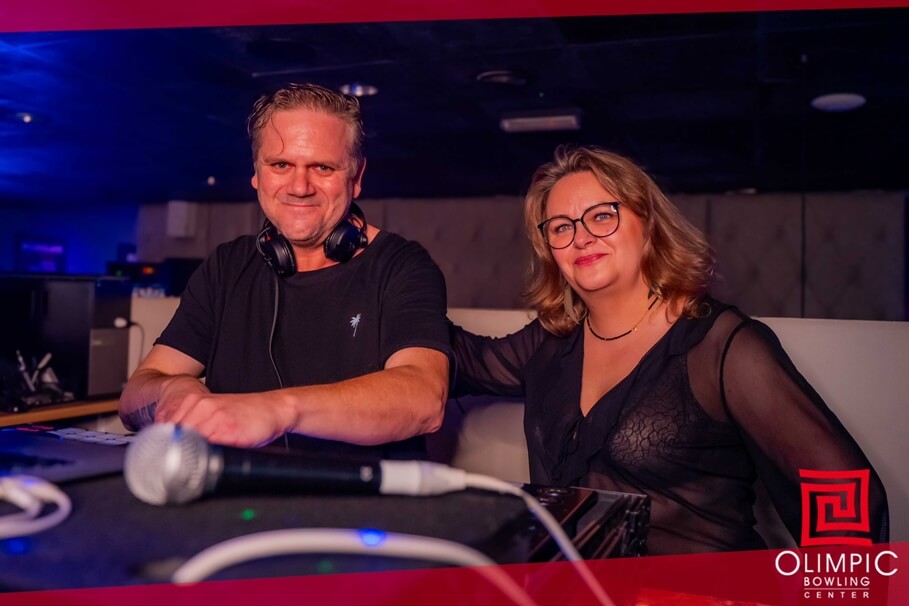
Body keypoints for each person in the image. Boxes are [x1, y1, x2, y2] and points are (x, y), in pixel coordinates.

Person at [451, 145, 888, 554]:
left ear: (648, 225)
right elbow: (456, 358)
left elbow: (845, 492)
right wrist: (407, 272)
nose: (580, 237)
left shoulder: (719, 345)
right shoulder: (551, 341)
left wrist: (829, 589)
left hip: (702, 591)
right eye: (561, 227)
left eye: (601, 216)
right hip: (579, 589)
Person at [119, 83, 451, 459]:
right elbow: (134, 396)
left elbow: (424, 400)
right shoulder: (226, 266)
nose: (299, 187)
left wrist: (276, 410)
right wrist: (172, 391)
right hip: (235, 493)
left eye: (322, 167)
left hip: (355, 495)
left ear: (356, 177)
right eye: (280, 165)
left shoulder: (403, 266)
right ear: (257, 173)